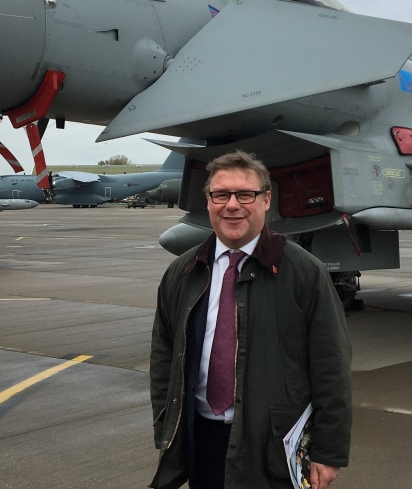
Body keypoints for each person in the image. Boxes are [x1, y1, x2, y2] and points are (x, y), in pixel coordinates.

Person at [150, 150, 351, 489]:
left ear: (266, 199)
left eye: (245, 194)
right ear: (208, 201)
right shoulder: (182, 272)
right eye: (221, 194)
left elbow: (332, 365)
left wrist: (328, 452)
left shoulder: (303, 272)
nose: (232, 205)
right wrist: (166, 427)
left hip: (273, 447)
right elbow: (163, 357)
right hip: (202, 440)